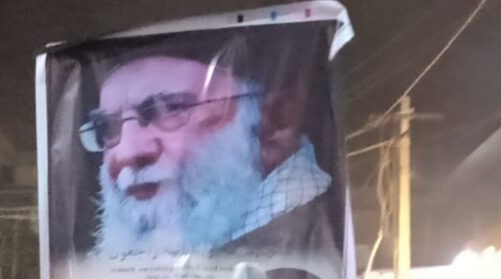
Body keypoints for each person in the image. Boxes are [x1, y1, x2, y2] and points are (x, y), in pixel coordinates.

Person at [87, 45, 334, 255]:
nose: (127, 153)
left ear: (276, 121)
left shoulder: (315, 239)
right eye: (106, 128)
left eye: (170, 109)